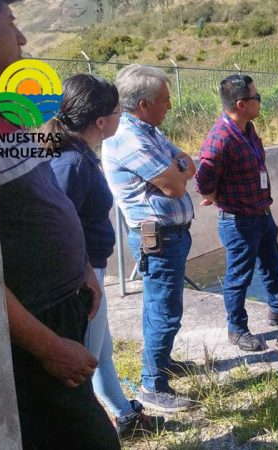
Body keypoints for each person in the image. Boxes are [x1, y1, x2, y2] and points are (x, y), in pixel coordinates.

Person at [0, 1, 119, 448]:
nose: (23, 38)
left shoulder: (7, 110)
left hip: (62, 303)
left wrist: (83, 271)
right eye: (12, 26)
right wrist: (47, 347)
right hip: (32, 324)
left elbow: (45, 200)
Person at [44, 74, 164, 440]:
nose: (121, 118)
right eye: (117, 112)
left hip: (89, 274)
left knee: (102, 353)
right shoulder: (72, 164)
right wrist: (85, 275)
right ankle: (90, 432)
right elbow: (56, 230)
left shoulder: (77, 154)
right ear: (101, 122)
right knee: (86, 361)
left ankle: (123, 414)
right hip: (82, 279)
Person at [102, 64, 196, 412]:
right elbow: (174, 185)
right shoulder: (129, 137)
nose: (170, 106)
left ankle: (163, 363)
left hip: (171, 235)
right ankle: (152, 385)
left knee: (162, 305)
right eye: (165, 100)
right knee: (163, 310)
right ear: (143, 103)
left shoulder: (149, 131)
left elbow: (189, 163)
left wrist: (180, 169)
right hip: (158, 238)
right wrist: (178, 172)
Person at [195, 74, 278, 352]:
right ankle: (237, 329)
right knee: (239, 276)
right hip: (238, 221)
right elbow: (203, 181)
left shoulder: (247, 130)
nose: (260, 101)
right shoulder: (220, 138)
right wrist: (215, 197)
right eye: (256, 98)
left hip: (261, 214)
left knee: (271, 264)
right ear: (241, 104)